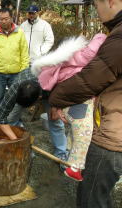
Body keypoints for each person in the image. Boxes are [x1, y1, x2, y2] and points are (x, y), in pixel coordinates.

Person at [48, 0, 122, 207]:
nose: (97, 14)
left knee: (91, 199)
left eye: (97, 6)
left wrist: (55, 98)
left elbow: (89, 80)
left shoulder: (119, 37)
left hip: (114, 135)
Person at [31, 33, 107, 181]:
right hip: (79, 105)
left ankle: (68, 148)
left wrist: (57, 108)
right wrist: (101, 36)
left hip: (68, 107)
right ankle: (74, 167)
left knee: (75, 131)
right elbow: (91, 51)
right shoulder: (76, 57)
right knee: (84, 134)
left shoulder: (58, 66)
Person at [18, 4, 68, 163]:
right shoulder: (23, 26)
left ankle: (61, 152)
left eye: (33, 13)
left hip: (41, 62)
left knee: (55, 120)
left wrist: (41, 52)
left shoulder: (45, 26)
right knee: (20, 101)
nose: (30, 15)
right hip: (25, 64)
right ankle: (21, 143)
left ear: (37, 13)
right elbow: (18, 41)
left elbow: (50, 40)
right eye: (29, 13)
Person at [0, 7, 29, 125]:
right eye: (1, 19)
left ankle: (14, 121)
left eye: (6, 19)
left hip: (16, 72)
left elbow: (24, 53)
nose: (3, 21)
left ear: (11, 18)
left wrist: (25, 72)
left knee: (16, 99)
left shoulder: (19, 33)